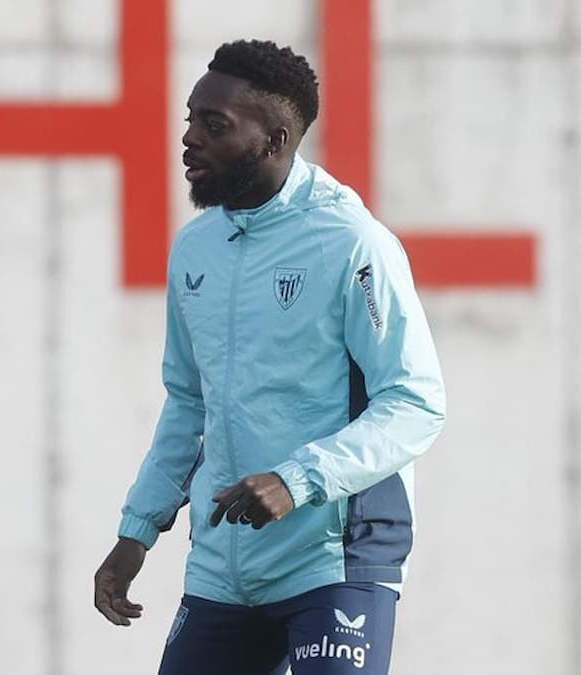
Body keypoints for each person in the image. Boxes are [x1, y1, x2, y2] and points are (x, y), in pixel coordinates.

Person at [93, 40, 446, 675]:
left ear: (276, 138)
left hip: (334, 559)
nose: (190, 140)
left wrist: (298, 479)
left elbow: (415, 404)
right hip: (223, 566)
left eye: (214, 125)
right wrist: (136, 531)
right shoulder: (196, 249)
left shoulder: (352, 244)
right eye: (190, 121)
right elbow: (189, 403)